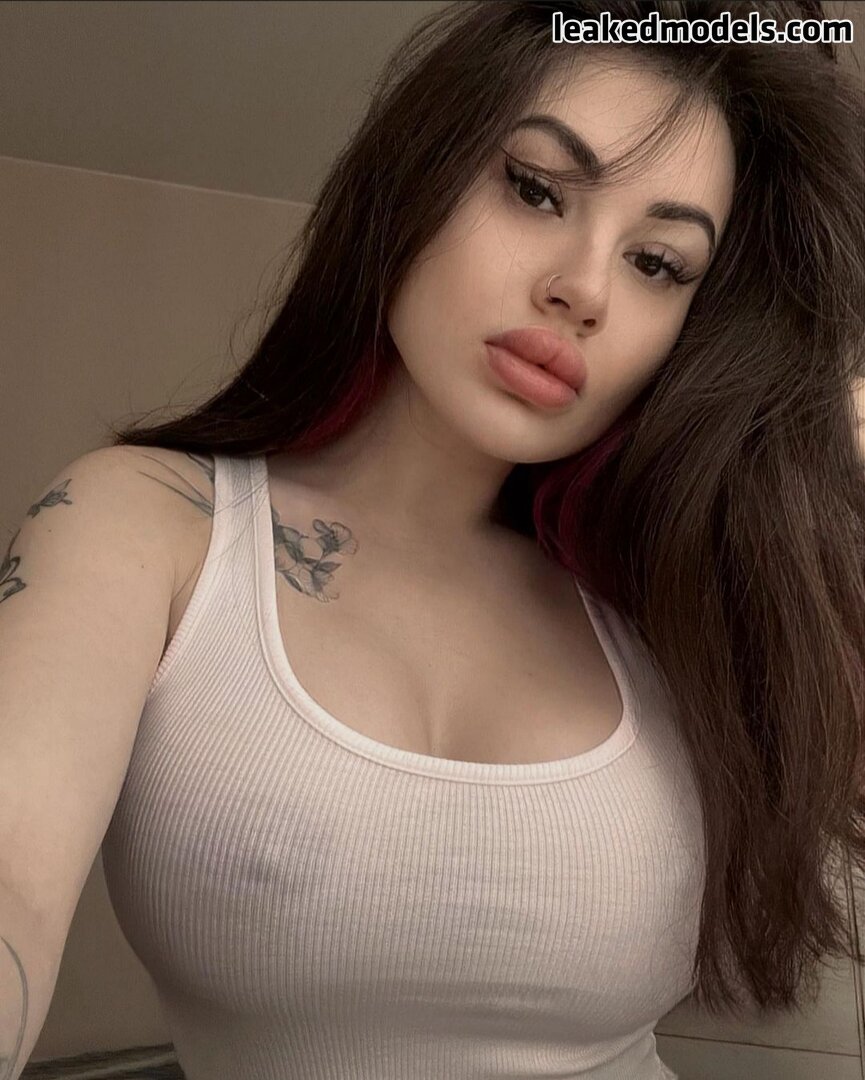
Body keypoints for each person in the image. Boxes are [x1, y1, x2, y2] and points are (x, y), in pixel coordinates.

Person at [2, 2, 863, 1078]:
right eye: (535, 190)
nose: (583, 288)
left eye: (657, 263)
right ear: (414, 177)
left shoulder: (676, 598)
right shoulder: (147, 523)